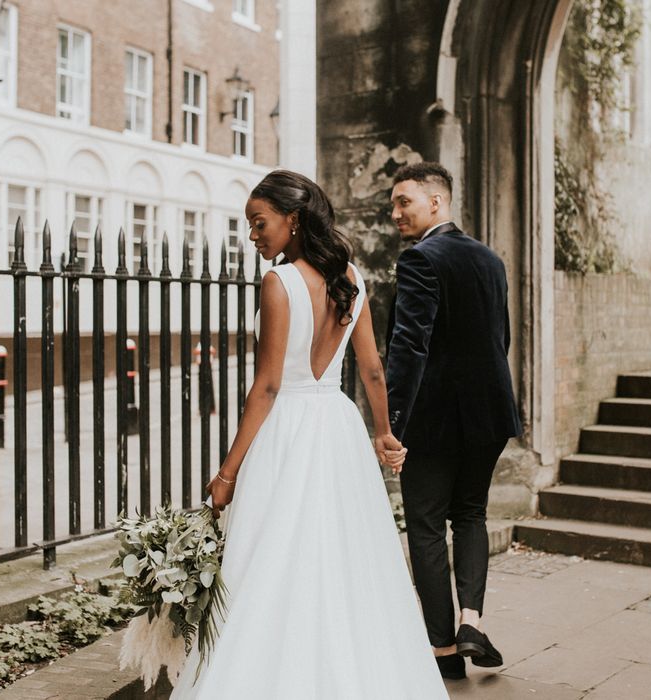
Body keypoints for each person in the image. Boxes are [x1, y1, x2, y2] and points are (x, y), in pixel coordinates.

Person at [170, 170, 449, 699]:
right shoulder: (352, 278)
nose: (253, 235)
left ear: (292, 219)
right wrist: (384, 434)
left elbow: (269, 386)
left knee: (271, 559)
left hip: (290, 431)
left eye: (260, 223)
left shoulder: (279, 283)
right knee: (344, 559)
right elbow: (371, 369)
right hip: (338, 427)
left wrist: (227, 472)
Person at [386, 162, 522, 680]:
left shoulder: (420, 259)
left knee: (424, 524)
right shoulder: (491, 260)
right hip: (490, 412)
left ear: (435, 203)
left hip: (435, 419)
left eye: (405, 202)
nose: (395, 213)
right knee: (469, 515)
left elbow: (409, 347)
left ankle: (443, 652)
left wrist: (393, 422)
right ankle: (472, 619)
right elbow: (500, 339)